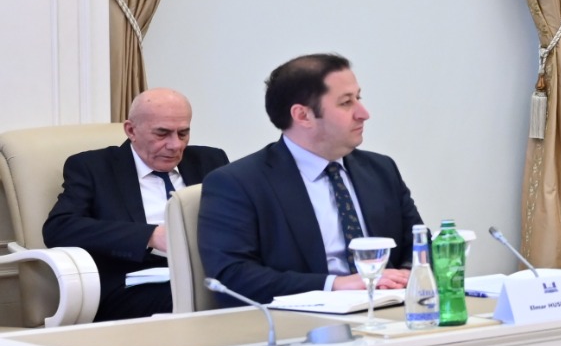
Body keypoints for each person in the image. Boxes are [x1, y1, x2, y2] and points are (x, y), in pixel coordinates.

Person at [197, 54, 425, 303]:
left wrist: (407, 276)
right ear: (303, 115)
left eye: (358, 98)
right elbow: (232, 277)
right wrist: (335, 285)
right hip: (299, 318)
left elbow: (420, 242)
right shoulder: (238, 183)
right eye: (346, 102)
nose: (363, 113)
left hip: (389, 308)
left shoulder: (380, 169)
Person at [43, 89, 230, 321]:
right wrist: (150, 236)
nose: (175, 145)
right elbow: (59, 228)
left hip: (207, 274)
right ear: (131, 130)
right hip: (133, 284)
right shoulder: (94, 167)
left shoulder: (210, 160)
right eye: (162, 133)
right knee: (196, 300)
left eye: (183, 133)